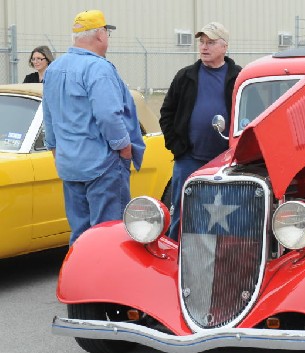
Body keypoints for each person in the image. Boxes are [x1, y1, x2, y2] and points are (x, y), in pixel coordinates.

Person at [42, 9, 145, 246]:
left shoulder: (54, 69)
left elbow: (48, 115)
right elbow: (108, 115)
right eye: (107, 32)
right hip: (102, 165)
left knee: (80, 233)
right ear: (100, 34)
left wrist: (56, 150)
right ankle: (107, 282)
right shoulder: (98, 68)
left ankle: (79, 280)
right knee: (108, 233)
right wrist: (124, 147)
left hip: (70, 164)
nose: (107, 37)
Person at [160, 21, 242, 241]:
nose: (204, 47)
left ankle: (226, 259)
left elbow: (251, 116)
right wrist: (177, 147)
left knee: (229, 216)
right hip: (189, 160)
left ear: (224, 47)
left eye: (211, 42)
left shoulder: (239, 78)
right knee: (182, 210)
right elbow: (167, 113)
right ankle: (175, 256)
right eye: (202, 42)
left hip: (227, 162)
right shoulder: (185, 76)